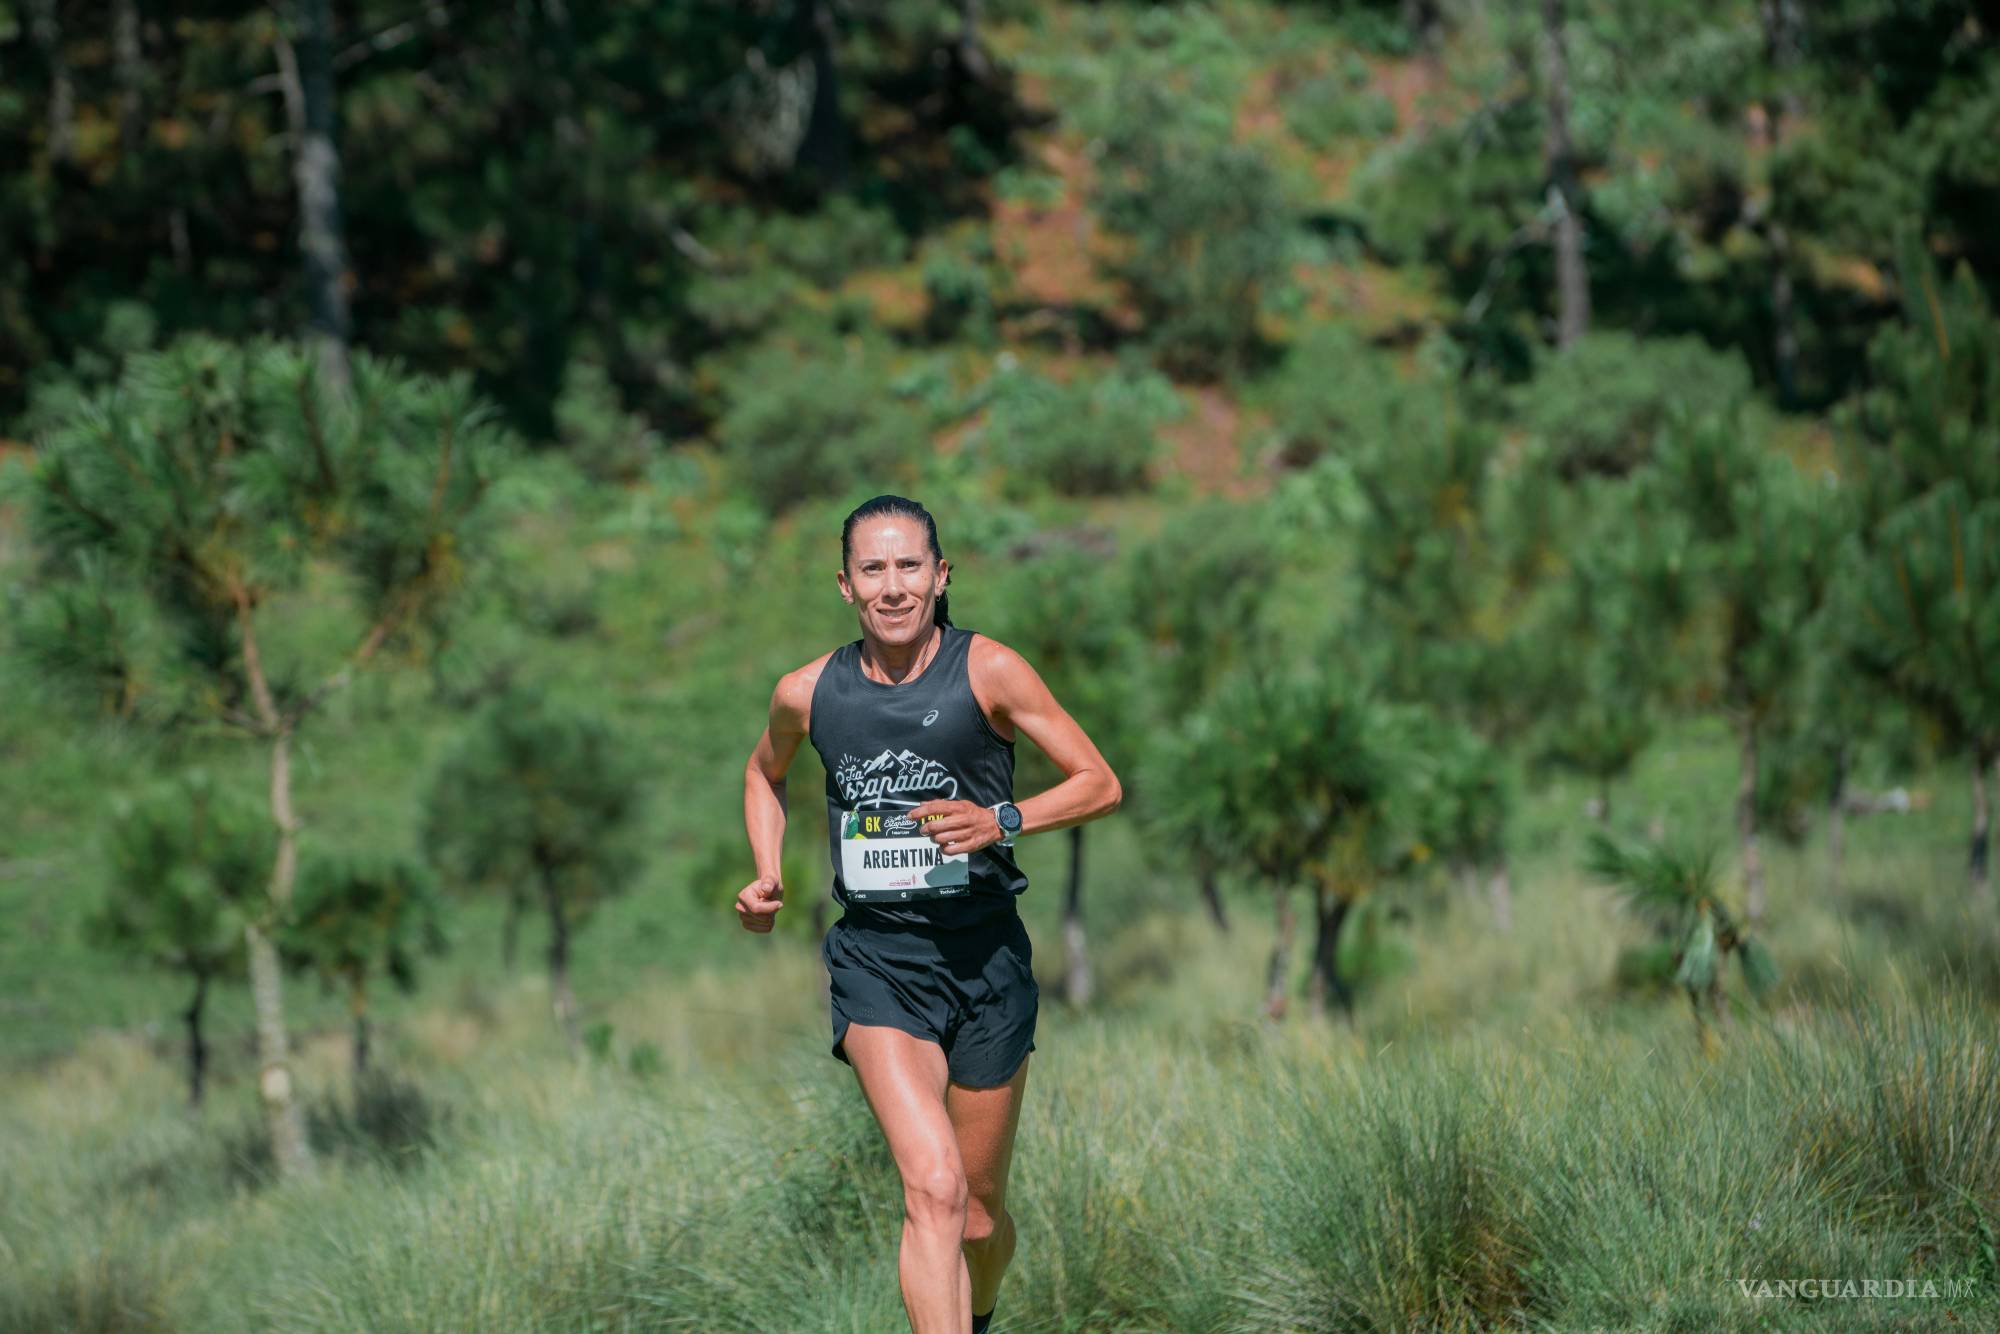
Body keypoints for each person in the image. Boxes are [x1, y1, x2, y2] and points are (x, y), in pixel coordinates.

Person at [736, 494, 1122, 1334]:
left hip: (987, 964)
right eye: (873, 569)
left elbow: (1100, 782)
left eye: (910, 565)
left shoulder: (989, 671)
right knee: (934, 1187)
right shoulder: (807, 692)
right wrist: (767, 872)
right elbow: (764, 774)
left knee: (979, 1217)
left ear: (941, 576)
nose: (893, 586)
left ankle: (978, 1313)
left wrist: (1002, 820)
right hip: (880, 965)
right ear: (845, 585)